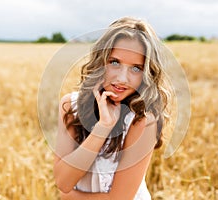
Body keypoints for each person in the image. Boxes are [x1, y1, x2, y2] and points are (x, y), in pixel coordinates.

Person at [53, 16, 171, 200]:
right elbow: (63, 182)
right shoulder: (70, 106)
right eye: (115, 62)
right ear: (101, 61)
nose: (122, 78)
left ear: (147, 73)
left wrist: (71, 197)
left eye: (136, 68)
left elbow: (119, 199)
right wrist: (103, 127)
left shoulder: (142, 121)